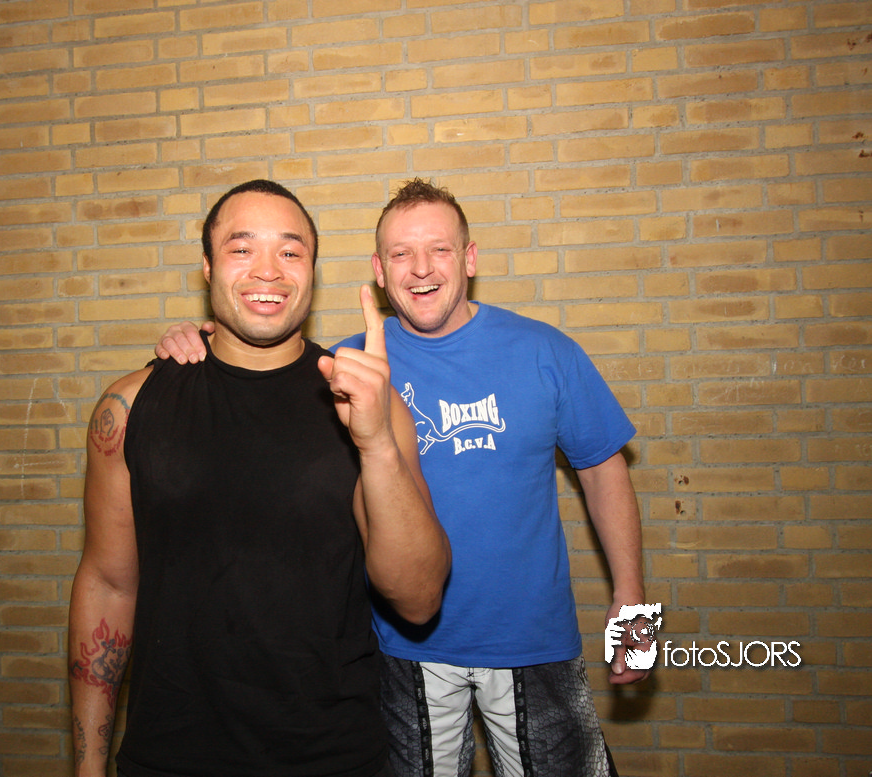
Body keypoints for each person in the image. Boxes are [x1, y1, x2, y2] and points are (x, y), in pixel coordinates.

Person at [156, 178, 649, 777]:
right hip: (399, 650)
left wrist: (634, 607)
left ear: (469, 258)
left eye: (440, 249)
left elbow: (603, 472)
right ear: (378, 271)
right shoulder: (345, 367)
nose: (421, 269)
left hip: (532, 642)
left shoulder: (546, 351)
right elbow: (254, 360)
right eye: (400, 254)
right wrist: (193, 339)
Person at [69, 179, 451, 777]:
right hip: (169, 758)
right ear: (207, 267)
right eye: (242, 248)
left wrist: (376, 442)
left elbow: (420, 599)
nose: (268, 270)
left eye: (291, 251)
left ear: (312, 271)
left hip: (332, 760)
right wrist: (88, 767)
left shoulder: (367, 406)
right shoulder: (130, 407)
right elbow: (108, 585)